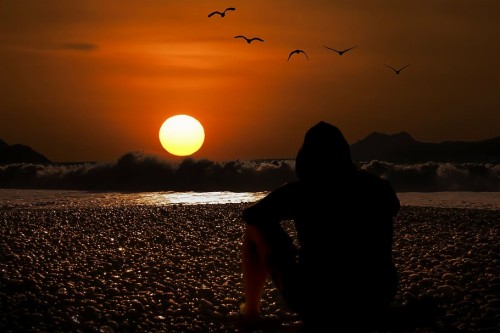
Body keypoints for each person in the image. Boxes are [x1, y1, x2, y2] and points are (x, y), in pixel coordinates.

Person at [240, 121, 400, 331]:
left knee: (255, 228)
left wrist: (286, 241)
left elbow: (252, 215)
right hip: (377, 294)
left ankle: (251, 310)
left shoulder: (302, 191)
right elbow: (391, 209)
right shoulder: (379, 187)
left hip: (315, 298)